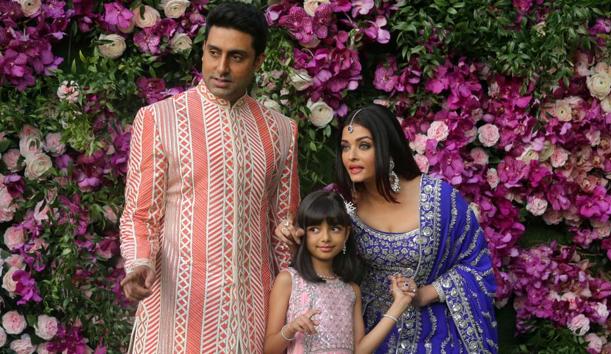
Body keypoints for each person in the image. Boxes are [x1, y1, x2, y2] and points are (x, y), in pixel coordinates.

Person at [119, 2, 299, 353]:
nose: (221, 67)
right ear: (202, 51)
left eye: (236, 57)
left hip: (251, 317)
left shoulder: (281, 130)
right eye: (213, 52)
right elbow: (142, 214)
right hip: (177, 316)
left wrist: (291, 299)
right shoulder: (160, 120)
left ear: (258, 61)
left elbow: (283, 224)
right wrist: (139, 263)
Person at [278, 104, 498, 353]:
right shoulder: (342, 204)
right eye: (345, 147)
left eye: (364, 146)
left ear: (387, 148)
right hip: (372, 330)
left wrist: (424, 294)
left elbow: (476, 264)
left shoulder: (439, 199)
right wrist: (296, 239)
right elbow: (321, 249)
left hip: (434, 331)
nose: (351, 156)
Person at [265, 190, 414, 354]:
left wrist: (398, 306)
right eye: (315, 229)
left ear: (346, 233)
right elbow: (269, 349)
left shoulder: (351, 290)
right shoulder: (289, 280)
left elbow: (360, 350)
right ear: (303, 233)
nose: (325, 238)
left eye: (334, 228)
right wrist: (291, 328)